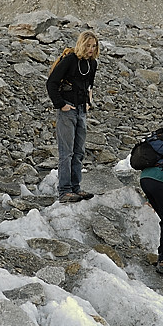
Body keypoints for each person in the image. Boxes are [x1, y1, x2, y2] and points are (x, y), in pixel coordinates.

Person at [46, 31, 99, 203]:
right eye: (88, 45)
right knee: (66, 152)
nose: (91, 49)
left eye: (94, 46)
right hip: (67, 110)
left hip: (82, 110)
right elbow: (51, 82)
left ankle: (76, 188)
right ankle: (64, 191)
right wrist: (61, 104)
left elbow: (89, 84)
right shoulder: (70, 60)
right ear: (81, 44)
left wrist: (89, 102)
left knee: (79, 152)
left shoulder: (92, 63)